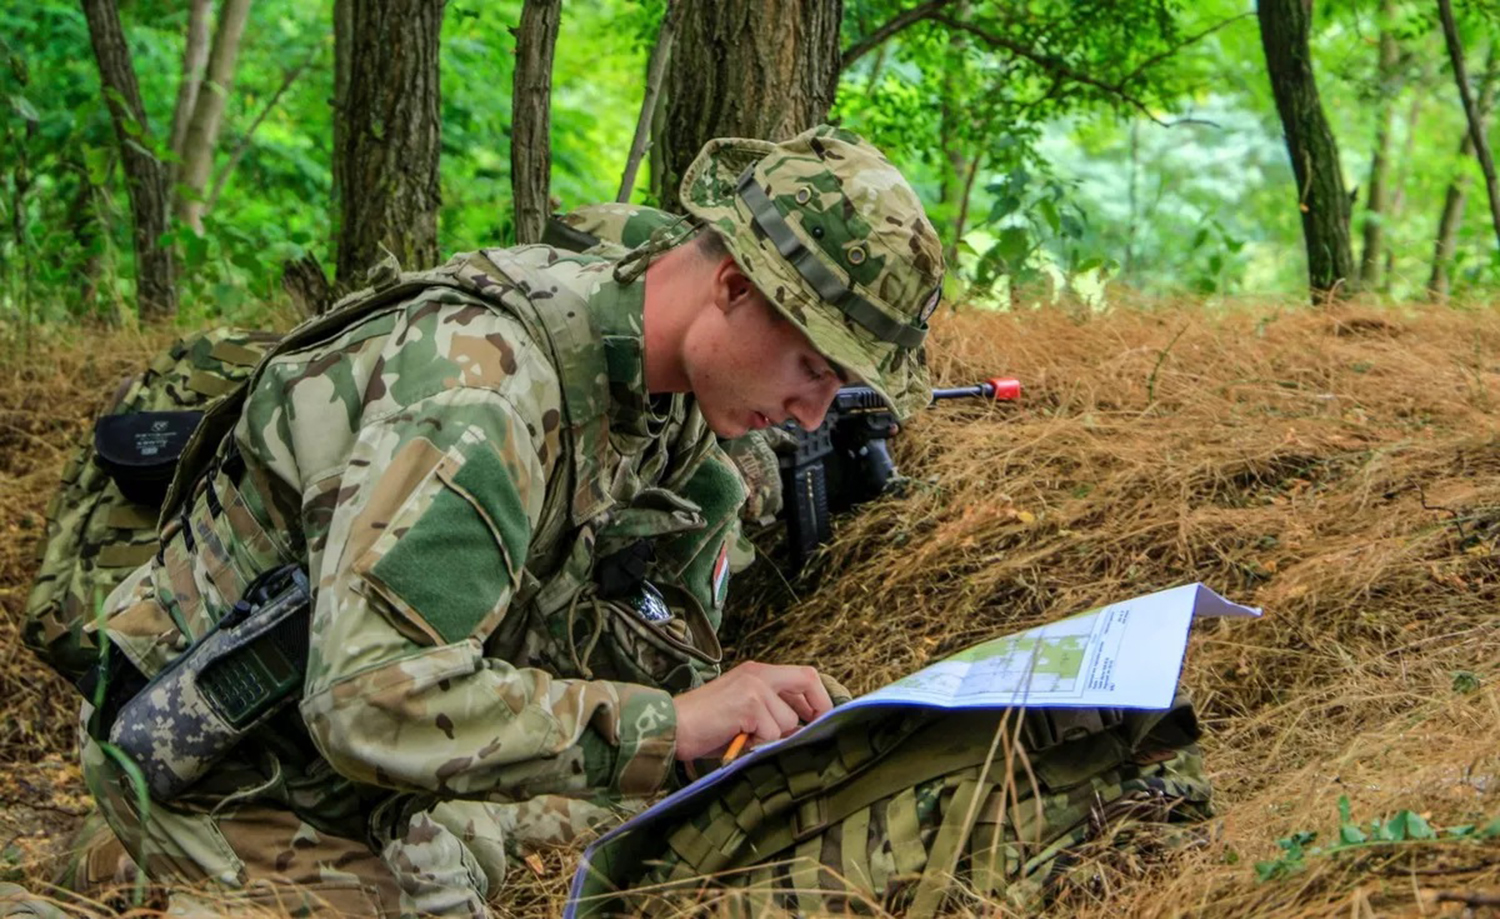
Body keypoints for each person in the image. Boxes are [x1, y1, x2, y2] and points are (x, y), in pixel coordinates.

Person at [58, 124, 946, 917]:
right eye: (814, 368)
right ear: (730, 284)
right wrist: (671, 723)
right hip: (238, 767)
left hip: (370, 769)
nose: (809, 414)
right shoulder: (482, 392)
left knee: (618, 813)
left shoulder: (653, 372)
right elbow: (367, 702)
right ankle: (122, 863)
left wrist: (702, 717)